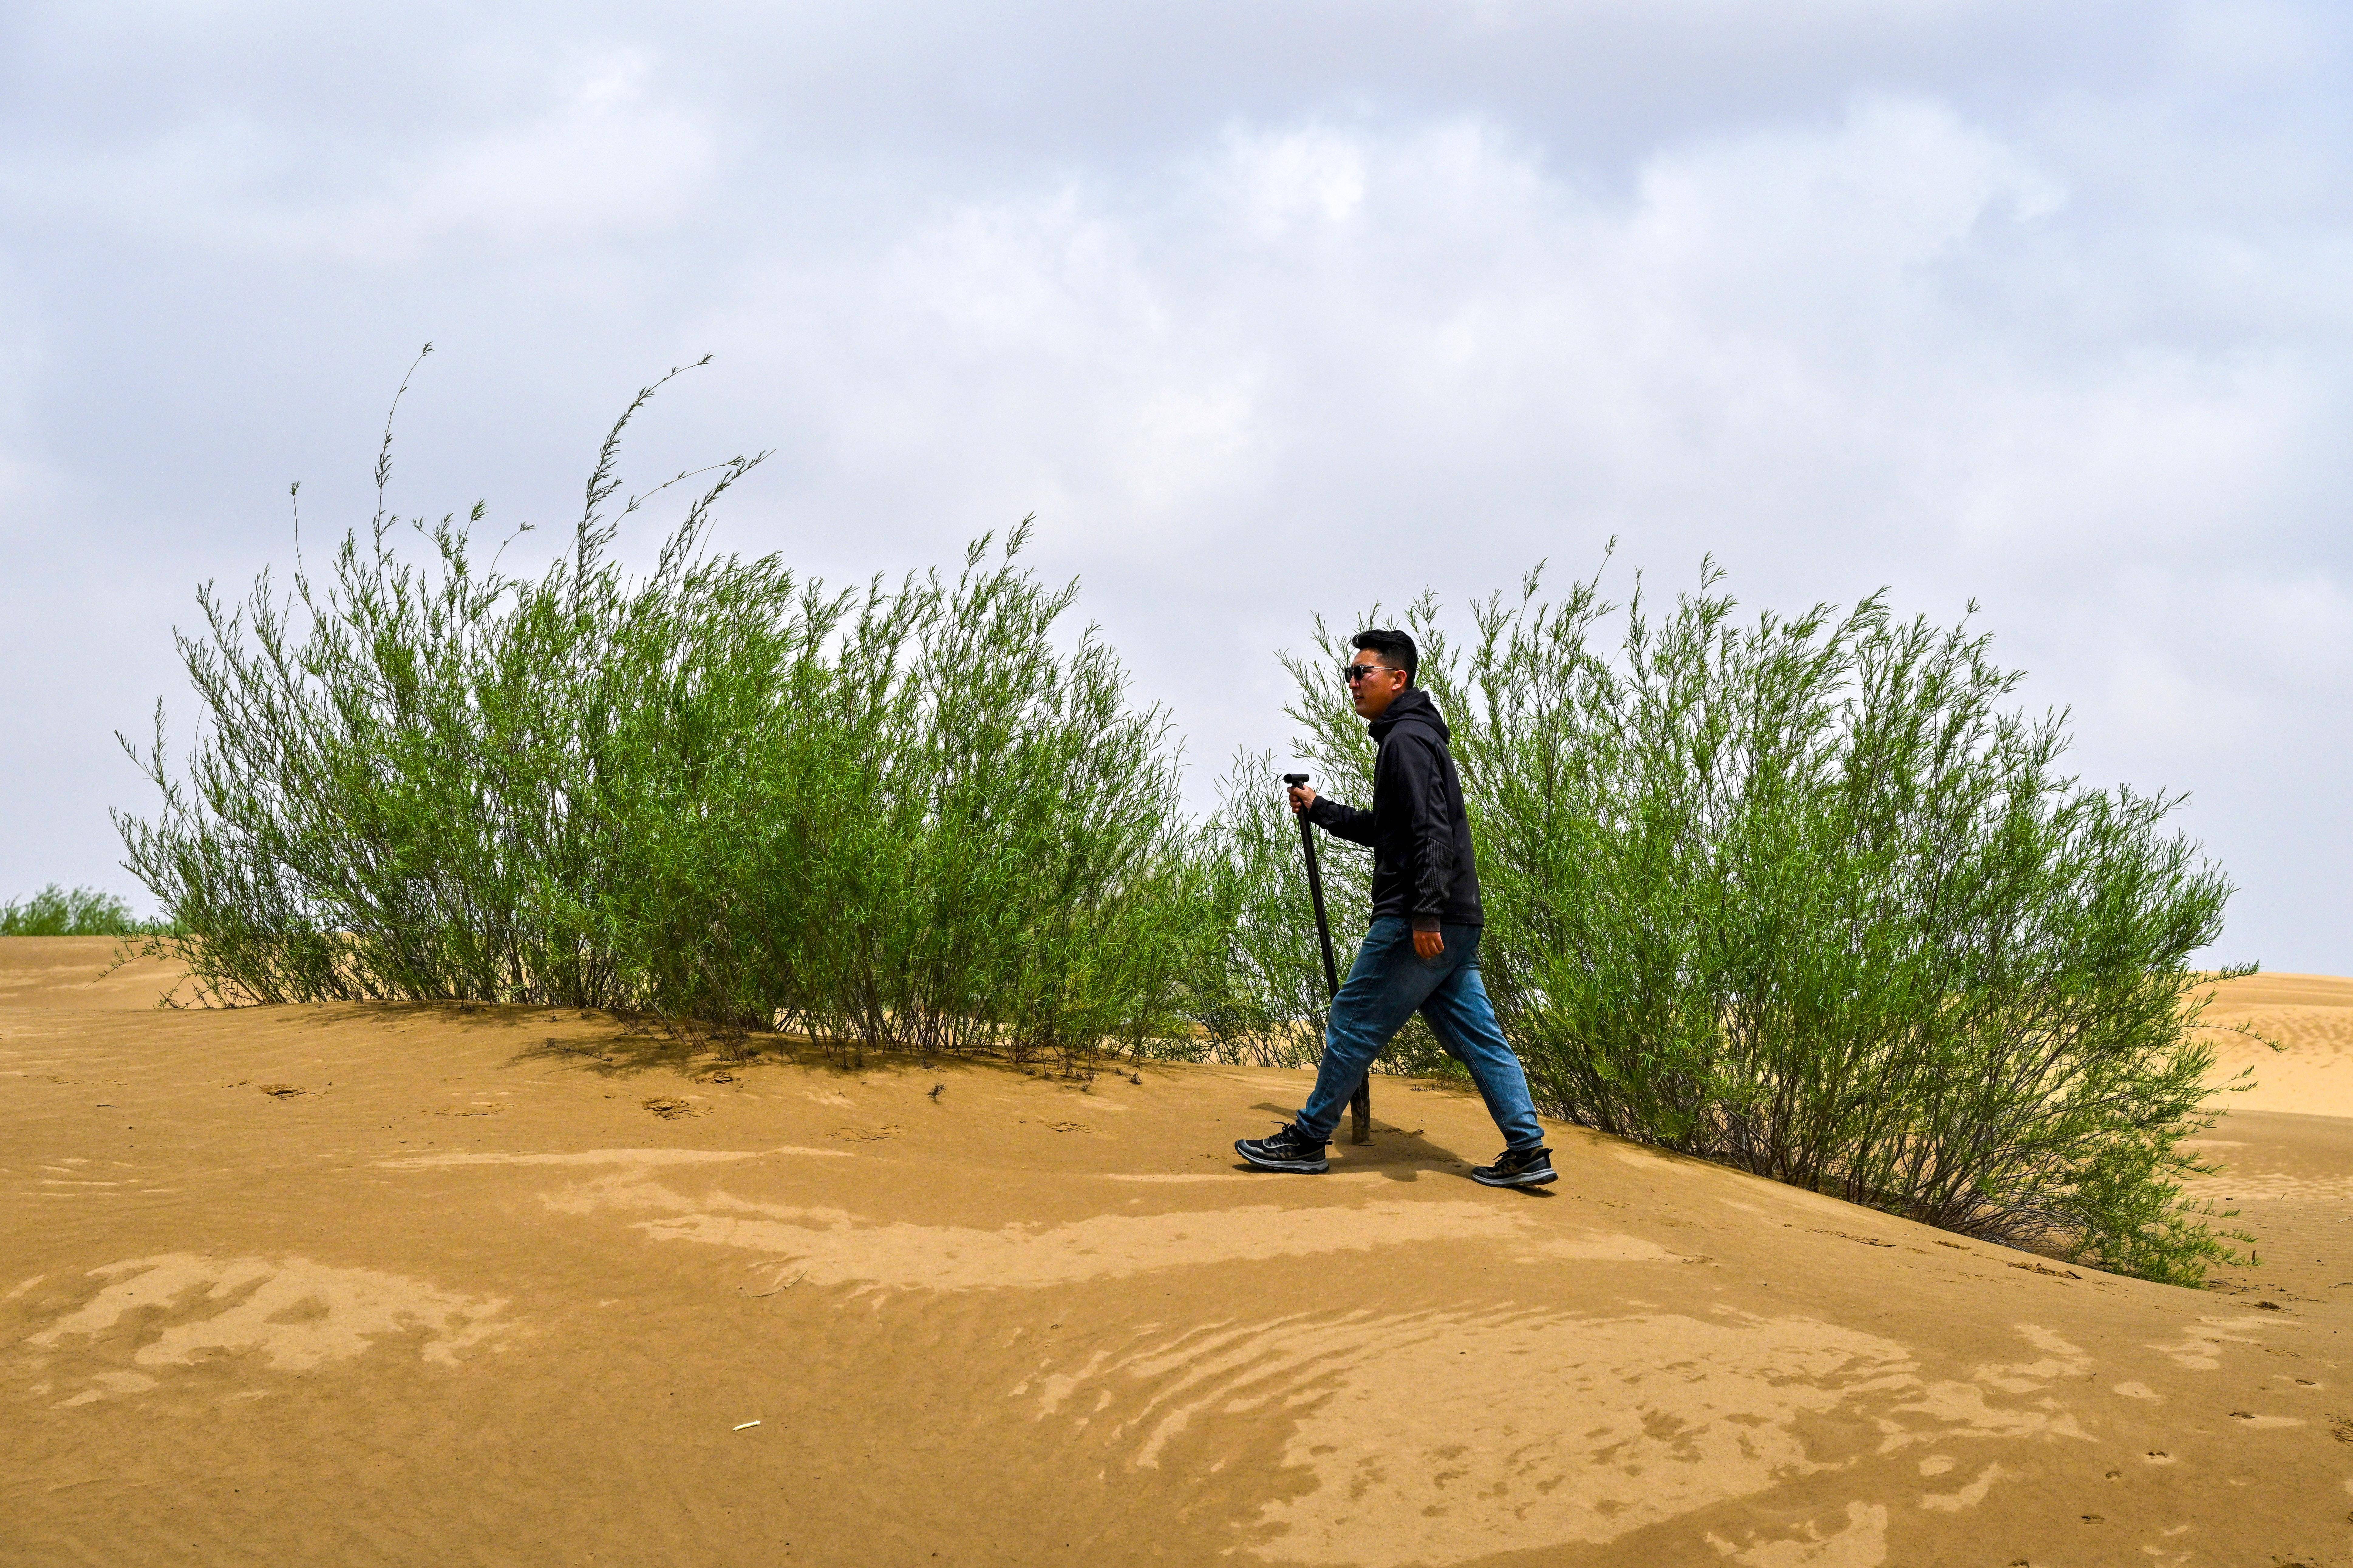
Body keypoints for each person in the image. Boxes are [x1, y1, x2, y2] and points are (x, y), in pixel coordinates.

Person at [1234, 628, 1556, 1189]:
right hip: (1456, 919)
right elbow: (1394, 831)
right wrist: (1321, 809)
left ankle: (1309, 1138)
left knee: (1353, 1017)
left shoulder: (1405, 740)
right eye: (1349, 674)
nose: (1353, 683)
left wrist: (1424, 914)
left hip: (1417, 919)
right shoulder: (1415, 738)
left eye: (1363, 673)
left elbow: (1433, 833)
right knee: (1479, 1036)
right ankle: (1527, 1148)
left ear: (1397, 678)